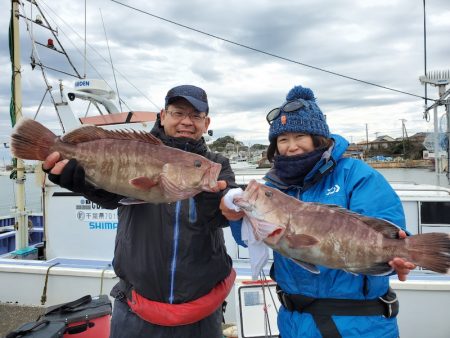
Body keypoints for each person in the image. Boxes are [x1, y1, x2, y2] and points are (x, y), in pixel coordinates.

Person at [43, 85, 239, 338]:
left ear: (206, 122)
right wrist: (84, 183)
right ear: (162, 115)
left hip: (202, 310)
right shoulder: (137, 148)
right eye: (178, 113)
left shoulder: (217, 165)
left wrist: (219, 204)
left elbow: (224, 214)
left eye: (196, 116)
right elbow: (113, 197)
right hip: (135, 307)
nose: (186, 122)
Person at [221, 85, 416, 338]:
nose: (291, 146)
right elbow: (248, 239)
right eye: (282, 139)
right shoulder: (276, 187)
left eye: (299, 136)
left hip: (359, 326)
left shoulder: (356, 175)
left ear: (318, 137)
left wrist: (399, 256)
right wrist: (236, 218)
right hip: (293, 322)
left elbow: (385, 228)